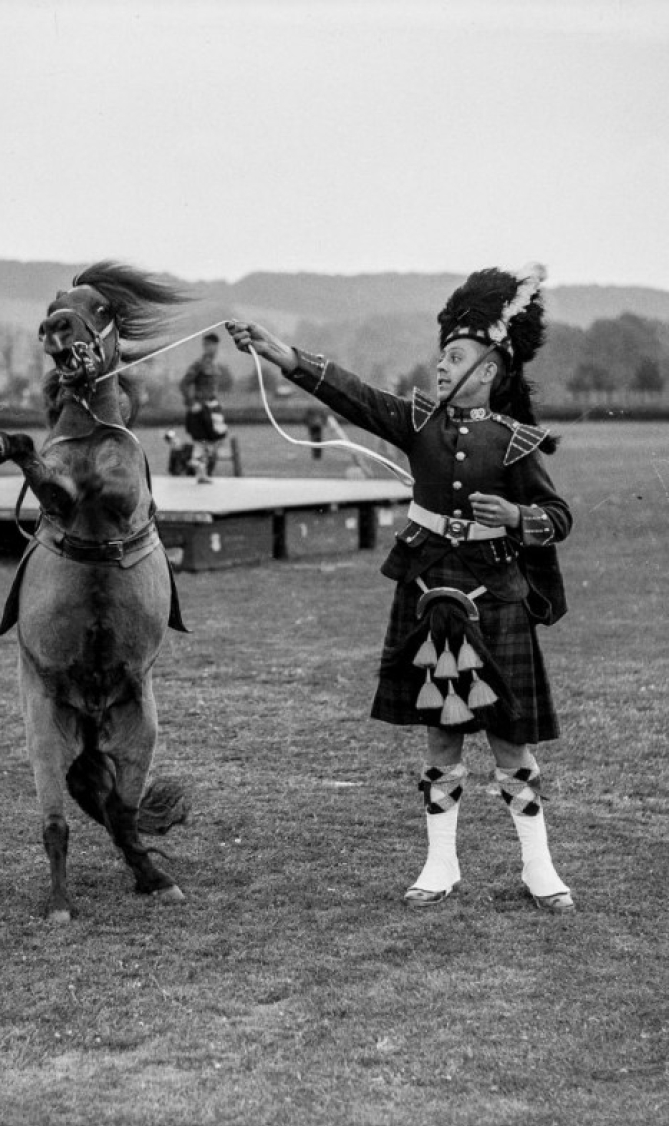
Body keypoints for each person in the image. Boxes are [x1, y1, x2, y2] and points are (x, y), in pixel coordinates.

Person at [228, 264, 575, 913]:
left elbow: (558, 518)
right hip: (430, 595)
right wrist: (281, 355)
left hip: (495, 597)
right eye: (439, 356)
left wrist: (518, 518)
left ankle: (539, 868)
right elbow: (353, 395)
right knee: (441, 734)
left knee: (509, 738)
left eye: (456, 357)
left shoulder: (515, 442)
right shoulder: (415, 421)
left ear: (489, 369)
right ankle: (439, 865)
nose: (440, 367)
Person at [178, 332, 232, 483]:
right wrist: (191, 403)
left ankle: (198, 465)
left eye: (214, 345)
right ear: (205, 346)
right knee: (203, 440)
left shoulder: (214, 365)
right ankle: (199, 467)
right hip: (201, 408)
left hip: (213, 407)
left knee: (216, 438)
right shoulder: (198, 365)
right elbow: (184, 384)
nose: (212, 349)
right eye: (209, 345)